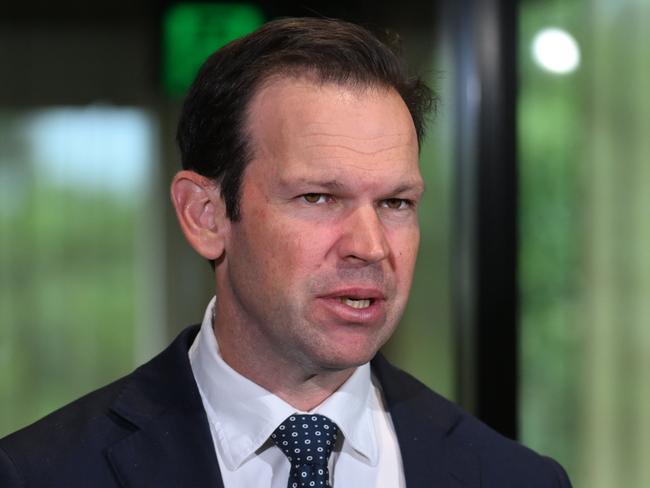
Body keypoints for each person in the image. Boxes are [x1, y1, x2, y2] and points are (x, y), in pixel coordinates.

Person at [0, 17, 571, 487]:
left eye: (396, 203)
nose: (371, 247)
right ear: (206, 216)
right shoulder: (40, 473)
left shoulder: (514, 477)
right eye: (319, 197)